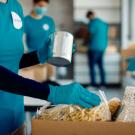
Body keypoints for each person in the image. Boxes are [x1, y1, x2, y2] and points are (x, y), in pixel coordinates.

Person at [0, 0, 101, 134]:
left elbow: (10, 62)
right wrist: (50, 92)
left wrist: (39, 55)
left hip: (15, 115)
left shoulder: (15, 6)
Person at [86, 11, 109, 87]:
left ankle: (93, 84)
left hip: (94, 48)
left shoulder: (92, 23)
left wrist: (85, 43)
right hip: (102, 48)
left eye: (88, 18)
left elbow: (89, 35)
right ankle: (103, 84)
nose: (88, 19)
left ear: (90, 16)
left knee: (92, 66)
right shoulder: (103, 23)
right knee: (101, 66)